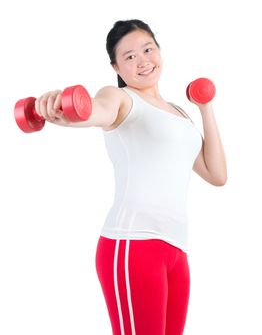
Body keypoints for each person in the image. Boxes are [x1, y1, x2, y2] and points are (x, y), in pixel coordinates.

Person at [35, 19, 227, 335]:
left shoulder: (179, 113)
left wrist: (204, 107)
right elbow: (96, 111)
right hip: (133, 245)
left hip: (176, 250)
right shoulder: (121, 98)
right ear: (116, 66)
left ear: (159, 51)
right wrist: (61, 109)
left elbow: (217, 174)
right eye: (129, 57)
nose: (142, 61)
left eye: (147, 49)